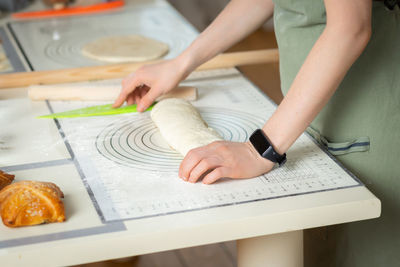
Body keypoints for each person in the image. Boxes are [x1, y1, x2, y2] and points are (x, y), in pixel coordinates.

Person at [113, 0, 400, 266]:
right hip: (311, 107)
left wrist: (260, 148)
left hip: (367, 113)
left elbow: (350, 29)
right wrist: (181, 63)